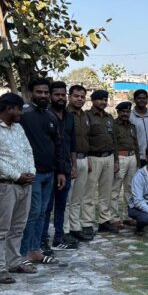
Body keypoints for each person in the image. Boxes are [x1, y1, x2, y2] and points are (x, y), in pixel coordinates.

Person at [0, 93, 37, 284]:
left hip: (25, 184)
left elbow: (28, 151)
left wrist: (30, 172)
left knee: (18, 227)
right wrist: (16, 175)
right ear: (9, 108)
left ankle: (14, 261)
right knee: (1, 229)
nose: (21, 113)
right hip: (6, 186)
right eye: (19, 109)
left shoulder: (18, 128)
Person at [19, 77, 66, 265]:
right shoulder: (22, 114)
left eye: (46, 93)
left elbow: (58, 144)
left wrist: (61, 171)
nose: (43, 96)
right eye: (39, 92)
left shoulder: (50, 116)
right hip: (33, 174)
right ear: (31, 93)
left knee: (44, 211)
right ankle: (25, 252)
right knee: (33, 212)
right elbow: (1, 120)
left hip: (50, 173)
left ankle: (36, 250)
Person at [42, 81, 78, 252]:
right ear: (50, 96)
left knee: (62, 205)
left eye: (63, 95)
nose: (60, 98)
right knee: (46, 207)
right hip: (50, 169)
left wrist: (74, 166)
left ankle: (58, 238)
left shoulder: (70, 116)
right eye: (57, 95)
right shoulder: (44, 114)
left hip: (66, 166)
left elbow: (72, 143)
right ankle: (43, 241)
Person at [83, 89, 119, 235]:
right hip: (93, 158)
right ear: (93, 100)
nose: (104, 102)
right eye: (100, 99)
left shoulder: (109, 117)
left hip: (109, 157)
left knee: (106, 193)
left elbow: (114, 140)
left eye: (105, 99)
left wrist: (116, 159)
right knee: (89, 193)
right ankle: (87, 223)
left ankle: (104, 221)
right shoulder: (87, 117)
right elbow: (84, 138)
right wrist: (86, 158)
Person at [64, 85, 92, 242]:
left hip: (84, 159)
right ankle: (65, 230)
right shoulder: (65, 114)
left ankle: (76, 228)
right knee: (67, 198)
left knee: (78, 198)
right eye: (76, 96)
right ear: (70, 96)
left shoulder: (84, 115)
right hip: (70, 160)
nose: (79, 99)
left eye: (82, 96)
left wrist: (87, 159)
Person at [111, 101, 140, 229]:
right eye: (123, 111)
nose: (125, 114)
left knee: (130, 189)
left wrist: (138, 161)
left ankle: (128, 216)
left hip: (132, 157)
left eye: (127, 112)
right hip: (120, 157)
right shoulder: (114, 125)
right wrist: (115, 160)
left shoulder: (132, 126)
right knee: (115, 189)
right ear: (118, 112)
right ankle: (114, 217)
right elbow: (113, 144)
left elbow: (136, 144)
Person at [129, 89, 148, 167]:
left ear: (147, 99)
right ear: (134, 100)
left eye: (144, 98)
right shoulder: (129, 117)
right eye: (139, 98)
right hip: (136, 157)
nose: (142, 100)